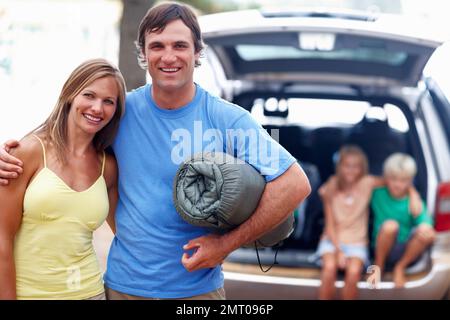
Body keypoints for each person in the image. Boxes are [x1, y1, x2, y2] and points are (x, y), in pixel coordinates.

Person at [0, 2, 311, 300]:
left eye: (179, 45)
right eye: (157, 46)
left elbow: (295, 183)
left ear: (197, 53)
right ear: (143, 55)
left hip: (197, 291)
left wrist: (226, 246)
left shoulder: (227, 119)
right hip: (124, 287)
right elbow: (63, 142)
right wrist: (11, 153)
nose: (168, 56)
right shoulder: (119, 111)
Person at [0, 58, 126, 299]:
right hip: (31, 294)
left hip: (91, 292)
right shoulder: (27, 153)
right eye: (89, 95)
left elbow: (127, 231)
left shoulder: (107, 167)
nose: (97, 108)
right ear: (70, 94)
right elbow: (1, 239)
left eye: (108, 101)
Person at [316, 145, 422, 299]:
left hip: (357, 242)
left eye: (356, 167)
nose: (351, 170)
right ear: (339, 167)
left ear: (363, 168)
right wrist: (338, 251)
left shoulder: (367, 182)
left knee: (353, 274)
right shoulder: (330, 186)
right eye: (347, 166)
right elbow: (330, 223)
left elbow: (395, 180)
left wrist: (412, 192)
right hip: (332, 240)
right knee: (329, 268)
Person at [372, 153, 435, 288]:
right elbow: (359, 181)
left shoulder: (414, 202)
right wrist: (412, 190)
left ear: (410, 180)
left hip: (403, 248)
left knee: (428, 234)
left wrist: (424, 228)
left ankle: (400, 267)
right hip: (379, 246)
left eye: (404, 180)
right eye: (394, 179)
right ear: (386, 177)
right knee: (390, 226)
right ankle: (378, 267)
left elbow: (426, 224)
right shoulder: (377, 193)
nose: (398, 184)